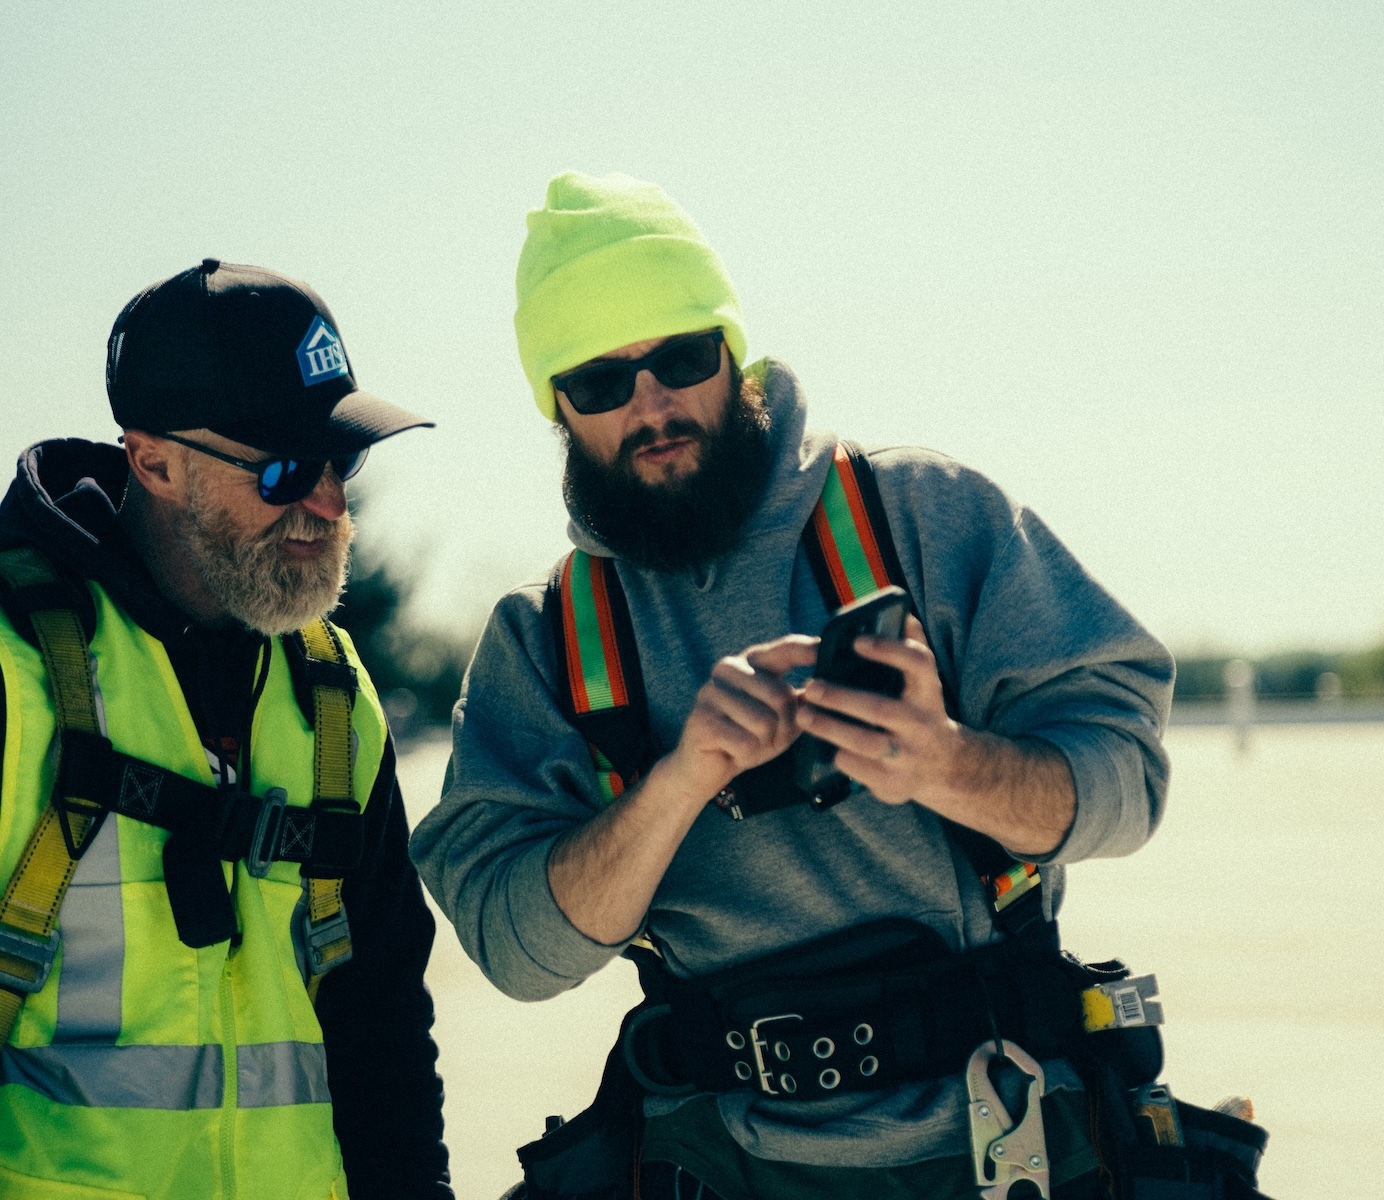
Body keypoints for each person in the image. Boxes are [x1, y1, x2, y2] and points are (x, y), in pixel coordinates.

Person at [413, 174, 1175, 1199]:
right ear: (555, 407)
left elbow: (1129, 782)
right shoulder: (542, 639)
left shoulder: (929, 517)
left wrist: (945, 762)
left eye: (680, 358)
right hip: (723, 1166)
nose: (651, 406)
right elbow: (517, 952)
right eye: (599, 382)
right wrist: (677, 785)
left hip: (1009, 1142)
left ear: (732, 354)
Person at [0, 260, 454, 1199]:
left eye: (344, 460)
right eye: (285, 468)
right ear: (154, 462)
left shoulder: (331, 692)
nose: (328, 503)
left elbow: (382, 1034)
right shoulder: (16, 672)